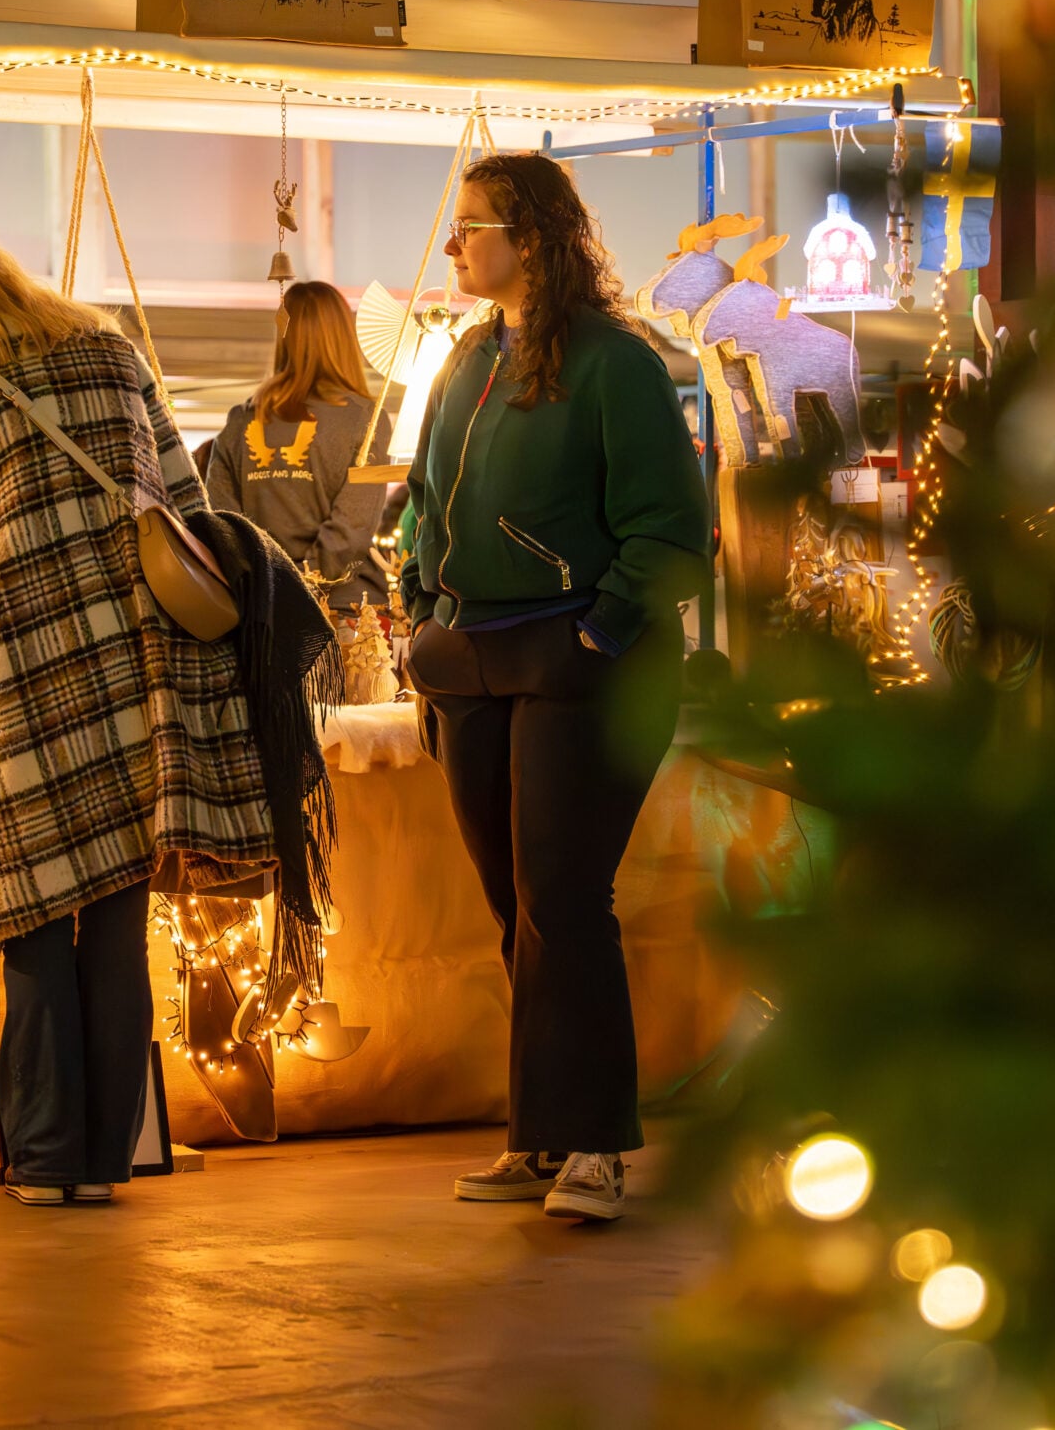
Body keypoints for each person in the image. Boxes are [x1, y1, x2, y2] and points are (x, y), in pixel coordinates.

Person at [0, 174, 276, 1205]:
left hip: (18, 663)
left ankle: (47, 1156)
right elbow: (187, 502)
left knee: (27, 918)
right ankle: (106, 1157)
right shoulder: (109, 349)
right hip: (140, 664)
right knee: (108, 915)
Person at [399, 152, 709, 1223]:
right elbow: (421, 502)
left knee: (562, 903)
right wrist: (416, 612)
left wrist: (598, 635)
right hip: (472, 664)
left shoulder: (613, 362)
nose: (457, 245)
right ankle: (540, 1136)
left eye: (472, 226)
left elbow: (672, 530)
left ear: (531, 237)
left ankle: (592, 1149)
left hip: (579, 663)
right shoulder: (465, 360)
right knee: (515, 910)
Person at [203, 279, 395, 611]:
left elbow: (225, 525)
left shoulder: (241, 421)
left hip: (262, 614)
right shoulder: (366, 418)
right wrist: (305, 587)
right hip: (347, 613)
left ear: (284, 336)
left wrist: (268, 592)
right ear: (343, 337)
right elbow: (353, 528)